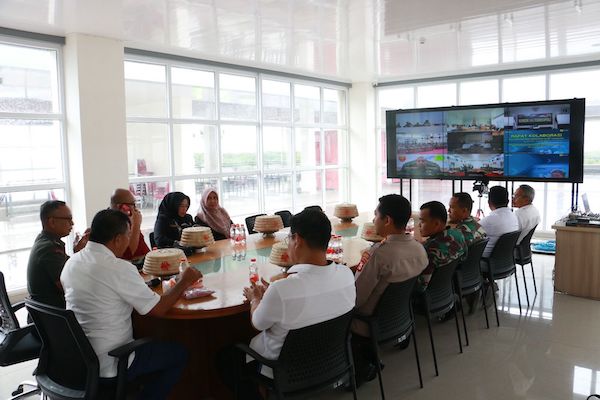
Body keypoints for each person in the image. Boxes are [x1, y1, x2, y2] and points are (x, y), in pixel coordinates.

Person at [61, 209, 203, 399]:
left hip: (79, 357)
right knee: (179, 354)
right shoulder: (118, 268)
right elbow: (158, 309)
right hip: (112, 360)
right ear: (118, 239)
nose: (129, 241)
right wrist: (184, 281)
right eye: (128, 235)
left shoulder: (72, 262)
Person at [218, 209, 356, 399]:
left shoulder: (282, 290)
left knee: (225, 358)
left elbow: (258, 323)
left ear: (297, 240)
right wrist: (275, 295)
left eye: (289, 239)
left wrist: (256, 298)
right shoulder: (346, 275)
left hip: (287, 372)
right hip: (331, 362)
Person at [352, 194, 428, 385]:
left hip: (369, 322)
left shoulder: (378, 254)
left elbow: (355, 299)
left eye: (376, 215)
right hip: (400, 318)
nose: (373, 220)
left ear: (387, 220)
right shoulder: (419, 249)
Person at [27, 200, 89, 309]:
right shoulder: (49, 249)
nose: (72, 223)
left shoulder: (44, 241)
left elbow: (66, 268)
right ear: (52, 222)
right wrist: (80, 254)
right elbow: (69, 286)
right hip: (55, 315)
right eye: (68, 219)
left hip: (46, 313)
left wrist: (77, 253)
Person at [418, 201, 467, 290]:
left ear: (436, 223)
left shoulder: (430, 249)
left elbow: (421, 287)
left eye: (422, 221)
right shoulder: (458, 234)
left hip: (430, 298)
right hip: (450, 288)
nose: (419, 225)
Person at [479, 186, 519, 257]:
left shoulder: (489, 221)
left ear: (489, 202)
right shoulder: (514, 216)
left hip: (486, 260)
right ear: (508, 201)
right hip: (505, 260)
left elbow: (471, 231)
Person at [110, 188, 149, 261]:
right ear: (121, 207)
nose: (135, 209)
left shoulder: (127, 220)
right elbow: (128, 255)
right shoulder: (111, 223)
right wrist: (136, 225)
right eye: (133, 205)